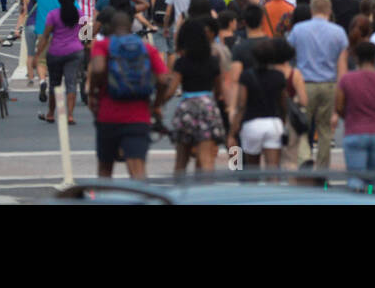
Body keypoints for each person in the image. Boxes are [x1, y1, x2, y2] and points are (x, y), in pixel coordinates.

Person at [88, 9, 171, 180]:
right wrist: (156, 104)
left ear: (110, 27)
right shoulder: (146, 48)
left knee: (105, 169)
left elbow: (97, 69)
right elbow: (163, 79)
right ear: (131, 27)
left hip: (108, 115)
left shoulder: (103, 45)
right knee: (137, 170)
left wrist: (93, 93)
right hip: (139, 116)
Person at [288, 0, 348, 170]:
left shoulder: (298, 30)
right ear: (329, 11)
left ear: (312, 10)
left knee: (300, 126)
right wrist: (341, 94)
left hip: (305, 84)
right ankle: (322, 171)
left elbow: (290, 55)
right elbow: (342, 67)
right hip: (329, 84)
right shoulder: (338, 32)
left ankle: (305, 157)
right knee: (325, 131)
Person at [336, 40, 375, 188]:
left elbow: (339, 106)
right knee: (373, 177)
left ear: (356, 58)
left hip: (354, 130)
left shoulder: (346, 80)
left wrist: (348, 117)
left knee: (356, 177)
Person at [167, 17, 226, 171]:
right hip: (207, 106)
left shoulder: (182, 62)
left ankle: (179, 193)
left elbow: (172, 89)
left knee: (181, 161)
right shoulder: (213, 61)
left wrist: (157, 103)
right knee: (206, 161)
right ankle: (206, 193)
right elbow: (219, 88)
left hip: (187, 107)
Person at [232, 36, 293, 168]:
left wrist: (234, 129)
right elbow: (283, 104)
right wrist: (282, 121)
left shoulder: (246, 76)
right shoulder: (278, 76)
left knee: (253, 170)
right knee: (273, 169)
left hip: (251, 124)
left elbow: (241, 105)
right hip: (273, 123)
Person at [37, 0, 84, 125]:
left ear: (59, 1)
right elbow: (87, 36)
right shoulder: (80, 14)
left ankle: (51, 113)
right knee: (71, 83)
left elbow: (46, 36)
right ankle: (70, 115)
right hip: (75, 52)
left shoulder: (53, 15)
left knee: (54, 84)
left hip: (56, 52)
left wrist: (38, 53)